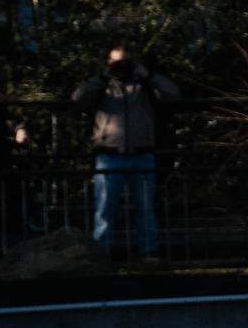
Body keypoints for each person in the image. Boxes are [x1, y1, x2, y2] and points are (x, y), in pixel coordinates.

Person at [73, 48, 175, 262]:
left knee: (145, 208)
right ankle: (101, 254)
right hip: (109, 155)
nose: (122, 67)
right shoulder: (102, 86)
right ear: (108, 63)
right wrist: (103, 77)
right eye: (116, 63)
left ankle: (148, 251)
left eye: (126, 62)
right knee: (104, 209)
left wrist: (148, 75)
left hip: (142, 153)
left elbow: (173, 93)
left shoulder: (144, 86)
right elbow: (78, 97)